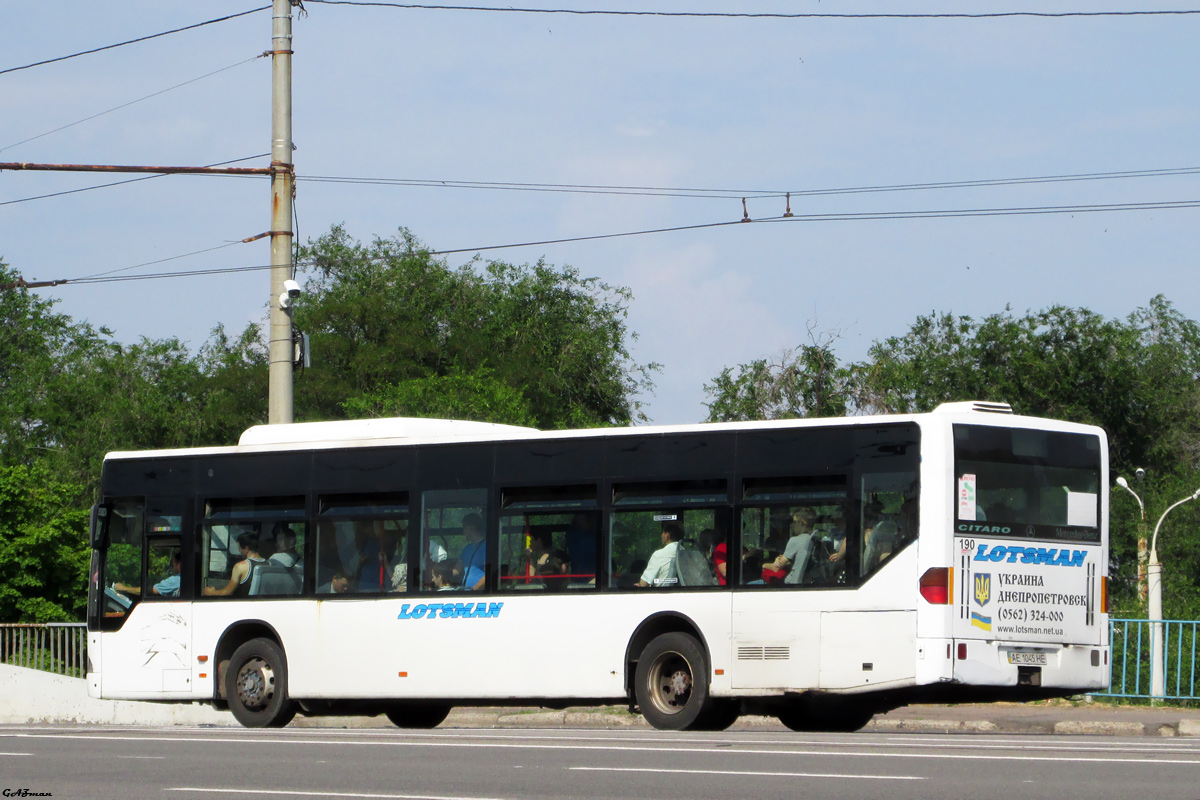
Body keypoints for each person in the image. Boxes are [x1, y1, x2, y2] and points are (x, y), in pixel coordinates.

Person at [204, 532, 267, 597]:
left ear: (246, 548)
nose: (239, 550)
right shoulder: (268, 564)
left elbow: (228, 592)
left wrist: (212, 592)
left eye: (239, 547)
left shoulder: (241, 566)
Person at [768, 507, 816, 585]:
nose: (792, 525)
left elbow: (776, 568)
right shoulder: (813, 540)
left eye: (794, 522)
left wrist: (762, 565)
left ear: (803, 523)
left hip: (790, 584)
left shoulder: (795, 540)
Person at [114, 552, 181, 597]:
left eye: (173, 563)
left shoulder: (176, 580)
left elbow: (152, 591)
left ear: (177, 563)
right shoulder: (185, 579)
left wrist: (124, 588)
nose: (173, 566)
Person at [637, 523, 683, 587]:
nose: (661, 536)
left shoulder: (659, 555)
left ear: (667, 536)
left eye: (662, 533)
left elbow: (643, 584)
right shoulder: (686, 554)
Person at [458, 513, 487, 590]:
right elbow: (456, 570)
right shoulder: (467, 548)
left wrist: (474, 589)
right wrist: (439, 568)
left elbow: (490, 574)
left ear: (473, 527)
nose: (463, 531)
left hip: (479, 594)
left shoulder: (486, 546)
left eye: (464, 527)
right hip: (467, 593)